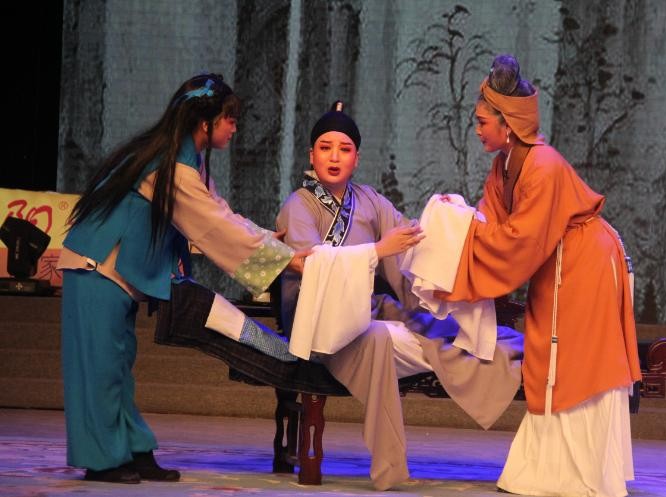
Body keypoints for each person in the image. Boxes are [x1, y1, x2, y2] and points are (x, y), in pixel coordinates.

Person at [58, 73, 306, 484]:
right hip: (95, 265)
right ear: (205, 122)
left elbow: (220, 214)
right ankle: (102, 459)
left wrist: (271, 243)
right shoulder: (170, 166)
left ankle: (133, 450)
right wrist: (286, 261)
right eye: (229, 120)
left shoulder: (186, 162)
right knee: (101, 369)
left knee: (117, 366)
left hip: (114, 272)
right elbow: (212, 226)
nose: (234, 128)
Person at [277, 101, 523, 491]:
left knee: (439, 332)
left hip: (365, 313)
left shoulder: (369, 200)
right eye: (325, 148)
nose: (334, 157)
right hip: (319, 325)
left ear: (357, 158)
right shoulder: (298, 207)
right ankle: (390, 463)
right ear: (311, 155)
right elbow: (311, 266)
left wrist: (445, 218)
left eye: (344, 149)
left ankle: (514, 352)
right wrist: (377, 250)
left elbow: (409, 239)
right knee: (378, 338)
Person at [437, 55, 642, 496]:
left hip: (585, 261)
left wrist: (468, 227)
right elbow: (491, 223)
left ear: (507, 124)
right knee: (550, 357)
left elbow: (517, 241)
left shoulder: (543, 165)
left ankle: (583, 474)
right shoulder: (504, 165)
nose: (477, 130)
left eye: (482, 122)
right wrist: (460, 219)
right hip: (558, 263)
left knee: (575, 361)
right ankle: (548, 470)